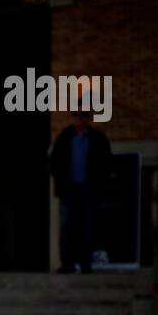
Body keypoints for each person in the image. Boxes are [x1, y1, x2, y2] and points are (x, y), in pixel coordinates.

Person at [48, 108, 113, 274]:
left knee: (86, 227)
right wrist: (61, 180)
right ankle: (67, 263)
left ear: (89, 117)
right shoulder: (64, 138)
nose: (79, 118)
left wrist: (98, 184)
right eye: (76, 114)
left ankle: (85, 263)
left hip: (88, 188)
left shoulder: (98, 139)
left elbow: (106, 164)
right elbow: (54, 161)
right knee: (66, 226)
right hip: (68, 189)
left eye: (83, 115)